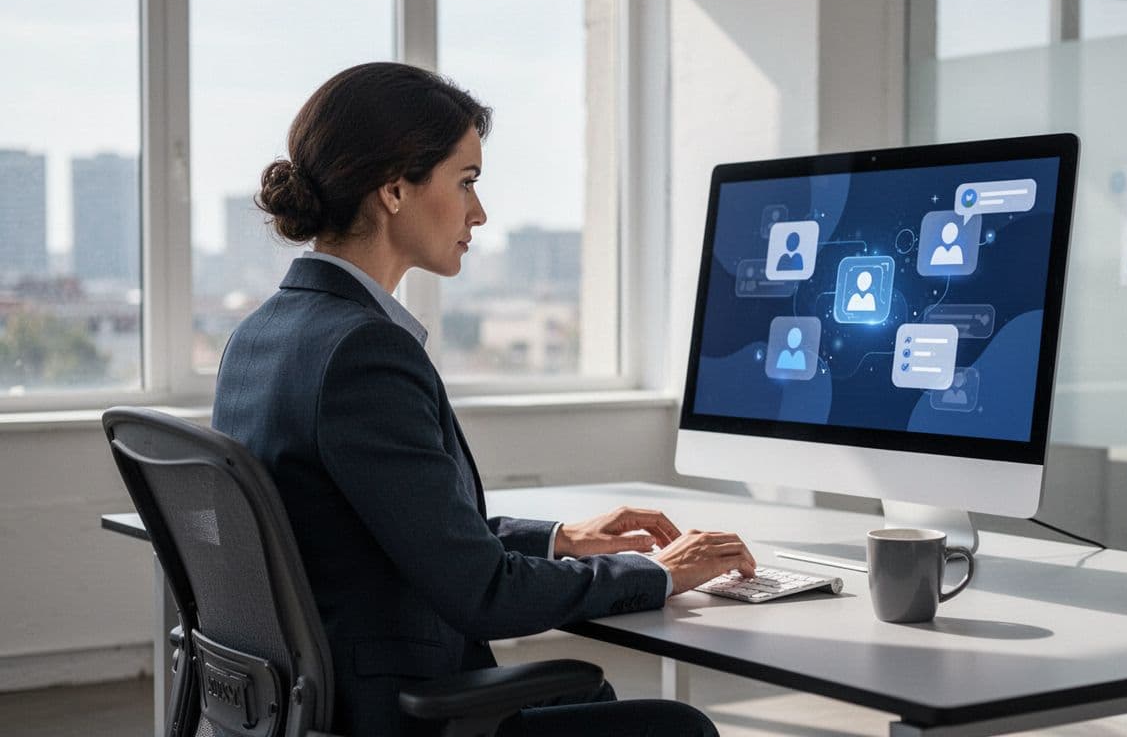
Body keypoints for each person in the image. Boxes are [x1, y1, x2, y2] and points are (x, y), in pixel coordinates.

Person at [211, 62, 755, 737]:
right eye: (465, 181)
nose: (480, 212)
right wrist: (655, 571)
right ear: (394, 189)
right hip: (393, 712)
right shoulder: (362, 352)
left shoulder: (258, 336)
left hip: (303, 703)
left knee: (593, 699)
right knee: (678, 728)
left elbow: (390, 529)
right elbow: (483, 594)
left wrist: (560, 539)